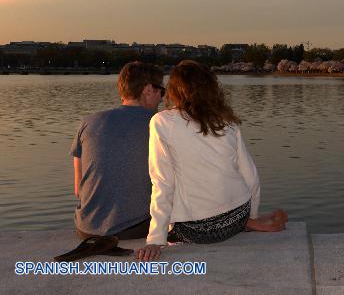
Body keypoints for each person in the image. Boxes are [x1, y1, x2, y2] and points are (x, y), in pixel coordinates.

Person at [136, 60, 286, 261]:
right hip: (237, 218)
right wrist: (252, 217)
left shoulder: (162, 122)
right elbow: (251, 175)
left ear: (174, 90)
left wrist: (155, 238)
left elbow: (162, 182)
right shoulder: (226, 121)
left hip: (195, 230)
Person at [71, 61, 165, 239]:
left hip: (86, 229)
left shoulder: (89, 121)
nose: (162, 98)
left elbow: (78, 189)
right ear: (148, 90)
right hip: (134, 228)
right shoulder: (159, 124)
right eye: (161, 91)